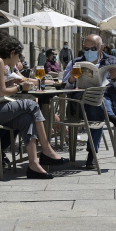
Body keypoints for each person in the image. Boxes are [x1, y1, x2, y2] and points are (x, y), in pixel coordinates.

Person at [0, 32, 69, 179]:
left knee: (26, 119)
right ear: (12, 53)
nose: (19, 60)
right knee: (31, 105)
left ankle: (34, 164)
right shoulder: (0, 62)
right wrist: (20, 88)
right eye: (18, 56)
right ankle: (46, 150)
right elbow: (2, 92)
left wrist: (10, 83)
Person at [63, 34, 116, 169]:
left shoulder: (112, 62)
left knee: (97, 101)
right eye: (85, 49)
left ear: (101, 47)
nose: (89, 52)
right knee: (96, 101)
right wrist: (71, 80)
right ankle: (114, 121)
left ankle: (92, 153)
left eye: (93, 48)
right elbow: (64, 88)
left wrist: (115, 78)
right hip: (78, 104)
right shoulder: (75, 62)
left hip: (102, 101)